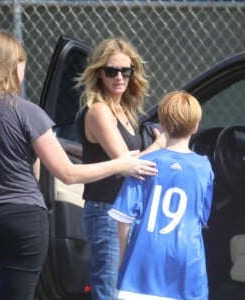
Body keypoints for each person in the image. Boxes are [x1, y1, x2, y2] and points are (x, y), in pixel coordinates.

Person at [0, 30, 158, 300]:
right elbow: (66, 173)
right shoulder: (29, 113)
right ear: (13, 67)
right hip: (22, 220)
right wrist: (120, 165)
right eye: (22, 64)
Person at [76, 37, 165, 299]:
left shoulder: (126, 111)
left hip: (127, 210)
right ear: (99, 74)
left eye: (125, 71)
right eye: (111, 71)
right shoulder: (99, 111)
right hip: (106, 212)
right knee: (109, 291)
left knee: (126, 289)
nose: (119, 77)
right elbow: (126, 164)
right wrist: (160, 145)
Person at [109, 91, 215, 300]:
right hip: (187, 262)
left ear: (163, 125)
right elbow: (202, 217)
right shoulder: (204, 167)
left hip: (143, 262)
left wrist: (123, 258)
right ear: (195, 127)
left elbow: (123, 218)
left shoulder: (145, 163)